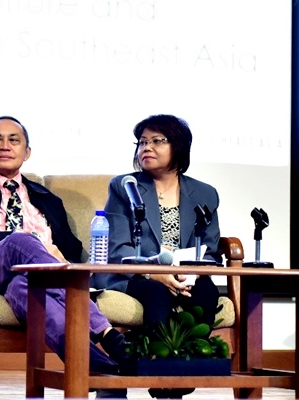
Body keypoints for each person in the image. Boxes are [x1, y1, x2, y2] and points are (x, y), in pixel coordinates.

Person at [0, 116, 130, 396]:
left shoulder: (45, 197)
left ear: (27, 152)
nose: (5, 145)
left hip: (34, 278)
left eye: (14, 140)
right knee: (20, 240)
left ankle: (103, 371)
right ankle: (106, 333)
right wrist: (25, 245)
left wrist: (52, 255)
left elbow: (70, 249)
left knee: (25, 288)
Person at [94, 114, 221, 399]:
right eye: (142, 142)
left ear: (178, 147)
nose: (145, 148)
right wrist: (155, 272)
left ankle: (184, 370)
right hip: (133, 275)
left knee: (206, 293)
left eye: (156, 141)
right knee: (157, 293)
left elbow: (210, 249)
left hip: (185, 273)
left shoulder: (205, 193)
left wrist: (187, 272)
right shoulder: (124, 186)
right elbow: (119, 248)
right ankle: (159, 372)